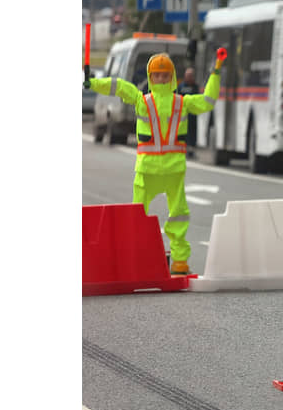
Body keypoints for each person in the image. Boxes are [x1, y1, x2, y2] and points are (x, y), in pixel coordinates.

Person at [84, 49, 226, 275]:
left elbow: (119, 86)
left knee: (137, 215)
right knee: (178, 214)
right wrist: (216, 71)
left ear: (170, 78)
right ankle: (179, 260)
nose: (160, 79)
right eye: (158, 75)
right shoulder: (183, 103)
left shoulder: (143, 101)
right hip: (172, 170)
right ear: (156, 78)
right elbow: (208, 101)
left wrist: (92, 83)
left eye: (164, 75)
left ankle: (136, 257)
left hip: (147, 170)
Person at [177, 67, 200, 158]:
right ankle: (184, 149)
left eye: (191, 76)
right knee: (184, 133)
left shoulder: (196, 87)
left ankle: (192, 150)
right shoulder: (181, 86)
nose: (190, 77)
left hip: (193, 115)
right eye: (188, 75)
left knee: (193, 133)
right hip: (183, 115)